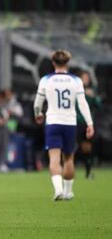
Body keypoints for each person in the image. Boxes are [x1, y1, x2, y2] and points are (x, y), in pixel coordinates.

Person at [33, 49, 94, 201]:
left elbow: (37, 104)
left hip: (53, 122)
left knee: (54, 158)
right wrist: (90, 123)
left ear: (53, 62)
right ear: (68, 63)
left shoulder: (46, 80)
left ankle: (58, 190)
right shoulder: (76, 80)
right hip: (70, 123)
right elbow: (82, 103)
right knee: (69, 158)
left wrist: (38, 114)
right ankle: (68, 192)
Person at [76, 71, 101, 179]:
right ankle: (69, 172)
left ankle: (88, 172)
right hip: (76, 122)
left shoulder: (91, 92)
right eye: (84, 77)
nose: (86, 80)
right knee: (73, 148)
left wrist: (94, 97)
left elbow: (98, 105)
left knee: (87, 149)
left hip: (87, 123)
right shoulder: (75, 90)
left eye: (87, 78)